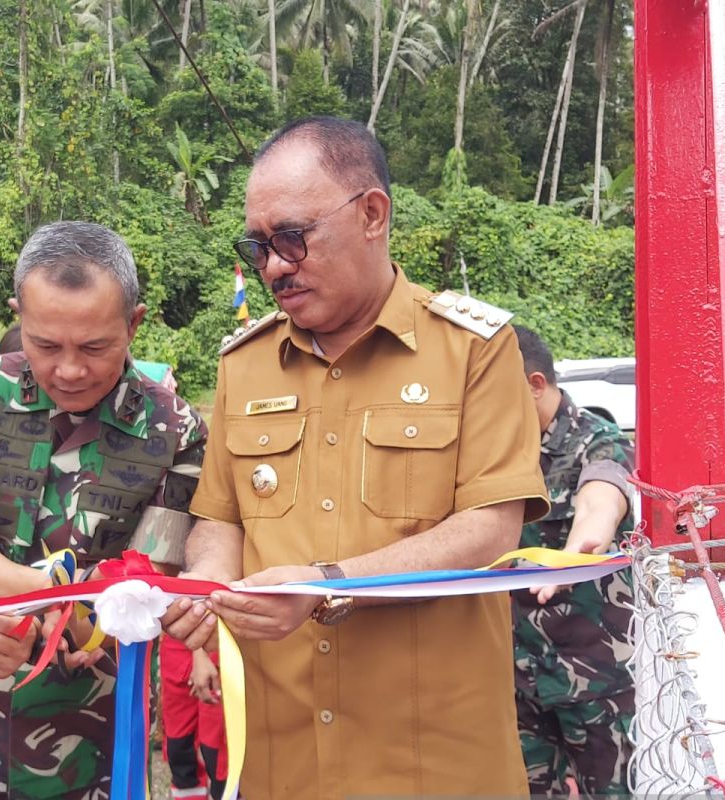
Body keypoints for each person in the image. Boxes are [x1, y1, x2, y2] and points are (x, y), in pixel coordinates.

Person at [160, 117, 548, 798]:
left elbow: (490, 527)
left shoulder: (474, 350)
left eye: (292, 237)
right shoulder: (242, 366)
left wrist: (326, 583)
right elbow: (221, 517)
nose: (275, 265)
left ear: (371, 214)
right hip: (284, 761)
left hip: (433, 763)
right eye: (259, 246)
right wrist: (215, 586)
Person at [0, 221, 207, 799]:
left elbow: (146, 587)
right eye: (45, 345)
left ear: (134, 324)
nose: (69, 370)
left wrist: (52, 615)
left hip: (100, 720)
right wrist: (35, 604)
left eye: (95, 347)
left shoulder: (174, 429)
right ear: (18, 315)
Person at [511, 326, 636, 796]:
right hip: (519, 680)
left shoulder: (597, 439)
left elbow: (602, 495)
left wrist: (582, 545)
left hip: (595, 680)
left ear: (535, 384)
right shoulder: (497, 454)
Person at [160, 636, 228, 800]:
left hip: (220, 640)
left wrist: (201, 652)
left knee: (218, 754)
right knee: (179, 748)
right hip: (177, 639)